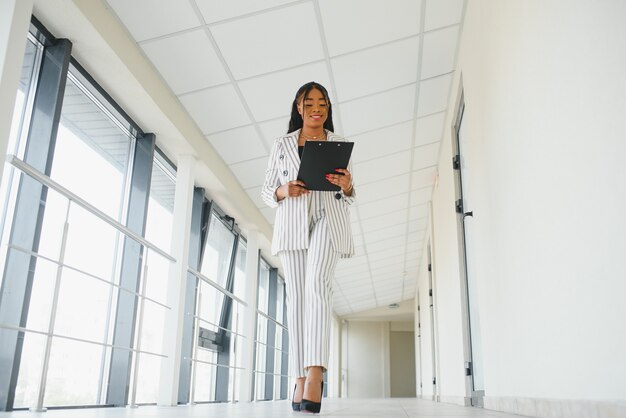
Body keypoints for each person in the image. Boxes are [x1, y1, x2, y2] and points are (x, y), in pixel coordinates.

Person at [261, 82, 355, 413]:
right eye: (309, 102)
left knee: (317, 283)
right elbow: (266, 190)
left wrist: (347, 184)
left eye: (323, 102)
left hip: (328, 217)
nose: (317, 107)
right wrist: (283, 190)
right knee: (297, 299)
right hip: (293, 222)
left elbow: (348, 188)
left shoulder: (339, 142)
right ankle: (298, 376)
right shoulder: (281, 144)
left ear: (328, 108)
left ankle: (315, 372)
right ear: (299, 108)